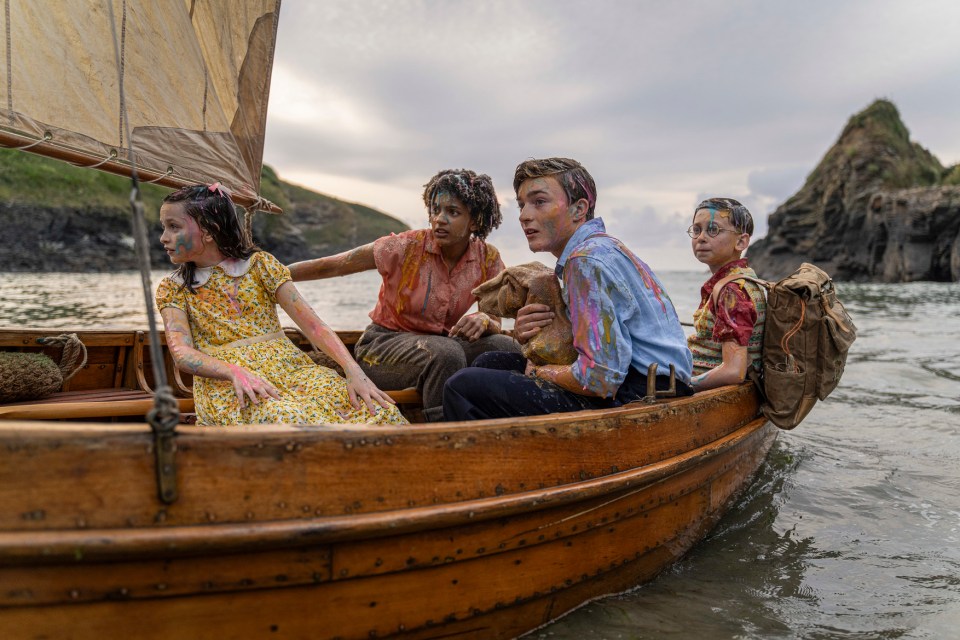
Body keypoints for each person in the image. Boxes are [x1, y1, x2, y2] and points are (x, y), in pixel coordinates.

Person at [442, 157, 693, 421]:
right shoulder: (603, 248)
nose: (524, 215)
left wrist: (539, 372)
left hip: (641, 393)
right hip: (656, 381)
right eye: (522, 204)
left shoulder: (584, 261)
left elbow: (600, 378)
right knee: (489, 362)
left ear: (579, 209)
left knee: (462, 387)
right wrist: (524, 333)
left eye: (539, 202)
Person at [155, 183, 407, 427]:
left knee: (379, 411)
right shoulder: (174, 288)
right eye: (164, 227)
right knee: (286, 418)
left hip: (290, 369)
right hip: (230, 382)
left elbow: (315, 328)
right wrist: (233, 371)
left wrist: (354, 372)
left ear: (209, 230)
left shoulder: (260, 266)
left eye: (173, 227)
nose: (163, 238)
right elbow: (182, 355)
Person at [288, 169, 520, 420]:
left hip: (444, 343)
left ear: (475, 220)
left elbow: (495, 318)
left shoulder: (488, 258)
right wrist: (274, 273)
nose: (440, 219)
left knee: (506, 347)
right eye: (435, 210)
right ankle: (443, 432)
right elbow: (337, 264)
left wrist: (484, 319)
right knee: (446, 354)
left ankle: (497, 419)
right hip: (382, 348)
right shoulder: (404, 247)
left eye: (452, 212)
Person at [686, 197, 766, 392]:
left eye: (713, 230)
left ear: (741, 241)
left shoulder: (732, 291)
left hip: (711, 395)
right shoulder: (746, 277)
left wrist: (684, 385)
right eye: (696, 230)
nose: (701, 237)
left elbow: (733, 371)